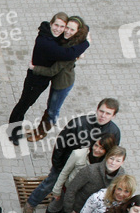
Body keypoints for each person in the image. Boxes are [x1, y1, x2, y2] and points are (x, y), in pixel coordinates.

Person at [22, 98, 122, 213]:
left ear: (113, 116)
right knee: (50, 183)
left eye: (108, 113)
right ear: (97, 109)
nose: (103, 116)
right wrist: (57, 165)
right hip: (66, 164)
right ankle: (31, 202)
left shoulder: (114, 132)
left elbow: (110, 154)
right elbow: (61, 143)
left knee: (74, 190)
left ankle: (59, 208)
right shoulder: (79, 123)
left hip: (88, 170)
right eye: (101, 111)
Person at [6, 13, 90, 145]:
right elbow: (67, 54)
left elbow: (79, 34)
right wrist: (86, 43)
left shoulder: (55, 35)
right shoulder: (46, 42)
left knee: (40, 105)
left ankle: (39, 130)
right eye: (56, 25)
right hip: (36, 79)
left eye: (63, 26)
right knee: (24, 104)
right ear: (50, 24)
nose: (59, 29)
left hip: (47, 78)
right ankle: (13, 132)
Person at [39, 134, 117, 213]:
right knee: (54, 207)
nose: (97, 150)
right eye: (96, 145)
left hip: (81, 197)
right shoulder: (78, 154)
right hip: (67, 189)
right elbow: (65, 172)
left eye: (102, 148)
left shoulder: (104, 164)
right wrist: (57, 190)